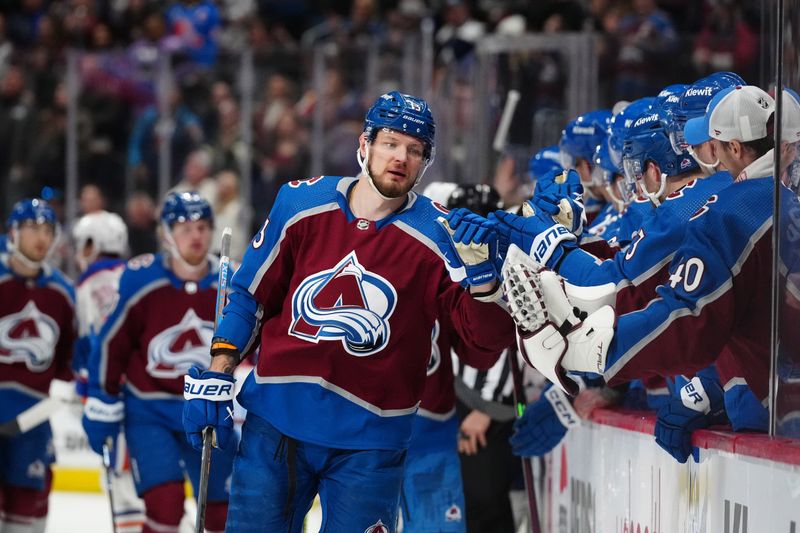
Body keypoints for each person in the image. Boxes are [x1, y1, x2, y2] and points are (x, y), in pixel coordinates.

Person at [183, 91, 513, 532]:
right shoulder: (301, 205)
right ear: (365, 145)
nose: (401, 157)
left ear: (425, 163)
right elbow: (251, 297)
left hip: (371, 444)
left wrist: (485, 282)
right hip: (278, 423)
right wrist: (220, 371)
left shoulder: (441, 235)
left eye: (415, 150)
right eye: (391, 143)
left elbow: (483, 344)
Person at [501, 85, 800, 460]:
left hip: (770, 420)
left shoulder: (731, 209)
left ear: (734, 148)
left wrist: (593, 352)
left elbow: (684, 314)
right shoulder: (780, 200)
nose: (698, 154)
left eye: (712, 144)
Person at [83, 192, 233, 533]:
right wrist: (101, 399)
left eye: (203, 227)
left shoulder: (232, 284)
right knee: (164, 506)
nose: (196, 236)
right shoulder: (141, 280)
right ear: (166, 233)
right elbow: (112, 345)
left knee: (222, 516)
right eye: (184, 228)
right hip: (149, 409)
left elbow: (254, 345)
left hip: (208, 410)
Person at [0, 199, 75, 533]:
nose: (40, 237)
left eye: (47, 230)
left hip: (32, 416)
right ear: (13, 233)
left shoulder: (63, 292)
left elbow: (67, 360)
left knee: (28, 505)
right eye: (32, 228)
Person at [72, 210, 144, 533]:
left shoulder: (87, 285)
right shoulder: (135, 274)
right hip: (147, 391)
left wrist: (84, 392)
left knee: (124, 486)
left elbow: (89, 347)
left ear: (92, 244)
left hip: (112, 396)